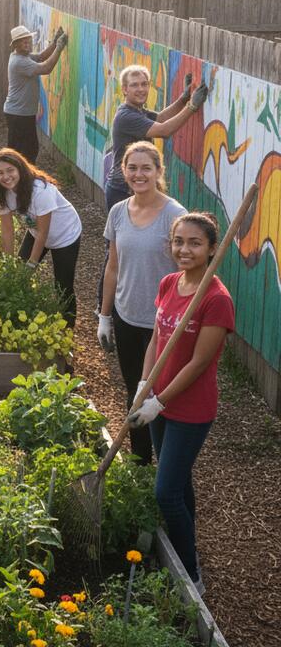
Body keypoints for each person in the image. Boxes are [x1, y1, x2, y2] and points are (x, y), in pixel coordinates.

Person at [128, 212, 235, 594]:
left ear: (211, 249)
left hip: (190, 409)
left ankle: (190, 575)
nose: (184, 249)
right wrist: (144, 384)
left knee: (165, 491)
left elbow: (199, 362)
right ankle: (182, 545)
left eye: (194, 243)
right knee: (178, 481)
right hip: (158, 398)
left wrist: (159, 401)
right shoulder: (169, 283)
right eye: (178, 242)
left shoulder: (217, 300)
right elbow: (157, 340)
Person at [98, 141, 186, 463]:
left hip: (163, 323)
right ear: (123, 171)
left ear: (159, 171)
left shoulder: (174, 215)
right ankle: (140, 461)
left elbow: (186, 271)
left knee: (159, 394)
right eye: (132, 168)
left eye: (146, 168)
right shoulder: (118, 212)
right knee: (133, 390)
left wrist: (181, 317)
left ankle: (165, 461)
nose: (139, 174)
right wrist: (104, 315)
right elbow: (112, 266)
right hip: (126, 315)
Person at [0, 147, 82, 328]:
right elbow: (7, 231)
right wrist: (8, 263)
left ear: (20, 168)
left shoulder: (41, 190)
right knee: (18, 274)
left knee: (63, 285)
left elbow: (44, 233)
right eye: (0, 173)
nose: (6, 176)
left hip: (65, 234)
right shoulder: (3, 192)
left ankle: (67, 329)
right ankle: (19, 319)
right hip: (36, 230)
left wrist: (32, 264)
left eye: (10, 170)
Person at [104, 65, 208, 213]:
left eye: (144, 84)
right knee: (126, 235)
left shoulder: (137, 111)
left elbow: (161, 118)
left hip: (134, 183)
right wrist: (192, 106)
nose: (141, 89)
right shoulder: (127, 116)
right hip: (123, 189)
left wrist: (183, 99)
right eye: (134, 85)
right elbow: (164, 130)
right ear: (125, 89)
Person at [3, 24, 68, 164]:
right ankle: (21, 179)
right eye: (23, 41)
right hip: (18, 114)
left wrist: (55, 42)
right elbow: (46, 67)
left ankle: (22, 177)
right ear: (15, 45)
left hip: (21, 113)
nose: (27, 43)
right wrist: (59, 47)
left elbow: (40, 57)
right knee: (24, 151)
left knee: (25, 150)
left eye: (28, 39)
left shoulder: (22, 56)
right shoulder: (19, 62)